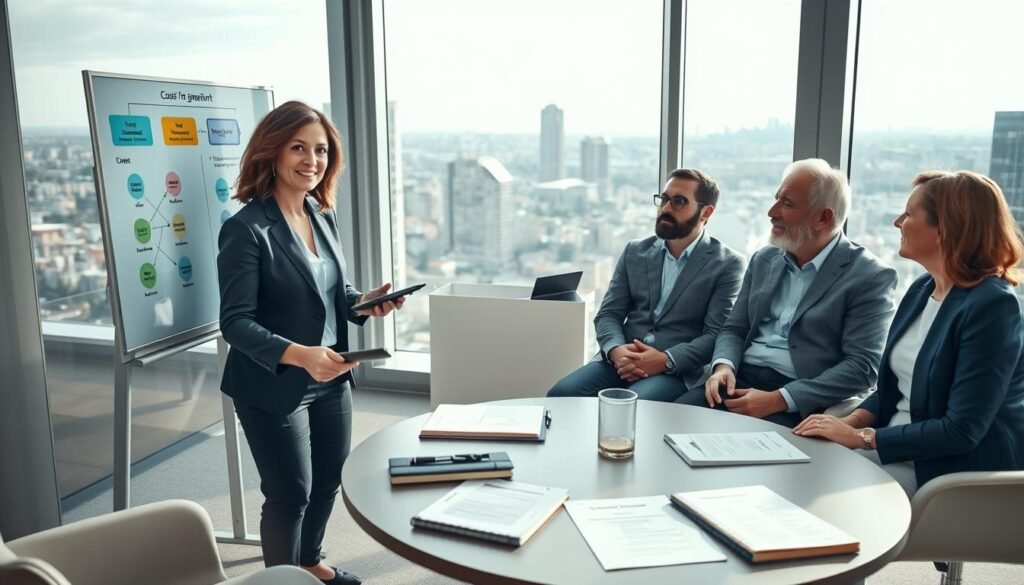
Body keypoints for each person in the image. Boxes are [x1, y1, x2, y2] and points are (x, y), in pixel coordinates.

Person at [218, 101, 405, 585]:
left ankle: (307, 562)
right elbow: (235, 323)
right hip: (273, 380)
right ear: (272, 152)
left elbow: (329, 295)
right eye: (298, 147)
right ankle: (281, 581)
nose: (311, 160)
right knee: (290, 491)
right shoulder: (245, 229)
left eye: (320, 150)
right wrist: (301, 355)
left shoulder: (321, 216)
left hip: (332, 373)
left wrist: (362, 303)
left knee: (327, 480)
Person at [794, 170, 1024, 497]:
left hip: (944, 470)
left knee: (815, 488)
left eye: (909, 214)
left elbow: (962, 431)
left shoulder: (992, 308)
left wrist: (863, 438)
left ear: (944, 228)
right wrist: (849, 423)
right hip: (892, 447)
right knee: (797, 468)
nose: (897, 222)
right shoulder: (921, 289)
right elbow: (895, 389)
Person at [676, 159, 898, 427]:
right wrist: (723, 367)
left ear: (823, 218)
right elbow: (734, 329)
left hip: (798, 398)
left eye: (787, 204)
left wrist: (779, 399)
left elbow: (863, 368)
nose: (772, 211)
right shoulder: (764, 259)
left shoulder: (870, 277)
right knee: (670, 428)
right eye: (776, 199)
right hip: (737, 380)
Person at [547, 168, 745, 401]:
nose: (666, 208)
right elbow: (609, 314)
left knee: (632, 405)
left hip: (673, 370)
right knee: (560, 394)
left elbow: (715, 335)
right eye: (664, 199)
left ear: (706, 212)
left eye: (679, 202)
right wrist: (617, 351)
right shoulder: (635, 251)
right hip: (621, 361)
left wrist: (666, 360)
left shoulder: (727, 264)